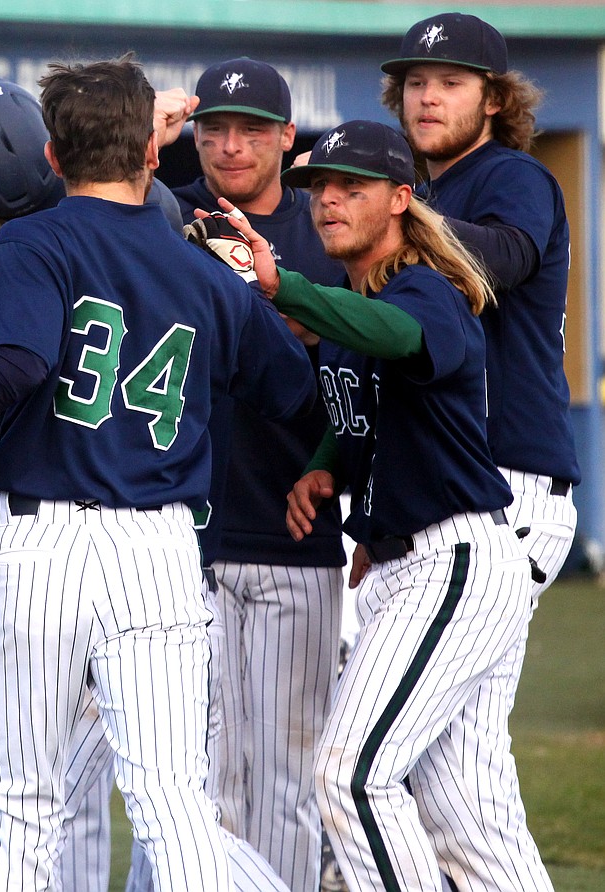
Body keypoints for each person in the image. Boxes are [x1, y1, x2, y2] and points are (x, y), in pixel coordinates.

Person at [0, 56, 316, 892]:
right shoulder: (202, 270)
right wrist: (252, 292)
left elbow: (9, 366)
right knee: (172, 803)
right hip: (160, 550)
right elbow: (294, 390)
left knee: (21, 803)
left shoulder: (31, 241)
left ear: (50, 157)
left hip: (45, 544)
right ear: (155, 156)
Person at [223, 118, 544, 892]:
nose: (328, 201)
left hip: (455, 561)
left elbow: (403, 340)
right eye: (319, 188)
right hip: (412, 563)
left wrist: (281, 288)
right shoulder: (352, 302)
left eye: (351, 188)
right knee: (465, 816)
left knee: (350, 776)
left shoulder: (423, 289)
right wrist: (328, 467)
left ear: (401, 198)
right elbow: (365, 408)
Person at [378, 19, 577, 888]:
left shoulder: (514, 177)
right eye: (417, 79)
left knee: (454, 776)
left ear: (495, 100)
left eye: (452, 81)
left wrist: (385, 222)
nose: (427, 94)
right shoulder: (426, 194)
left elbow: (489, 262)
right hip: (444, 498)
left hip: (510, 492)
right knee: (450, 773)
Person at [152, 57, 346, 892]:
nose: (229, 145)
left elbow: (360, 375)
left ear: (285, 138)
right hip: (177, 536)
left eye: (251, 130)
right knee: (194, 781)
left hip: (292, 530)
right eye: (213, 129)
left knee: (285, 778)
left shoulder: (322, 230)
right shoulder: (159, 217)